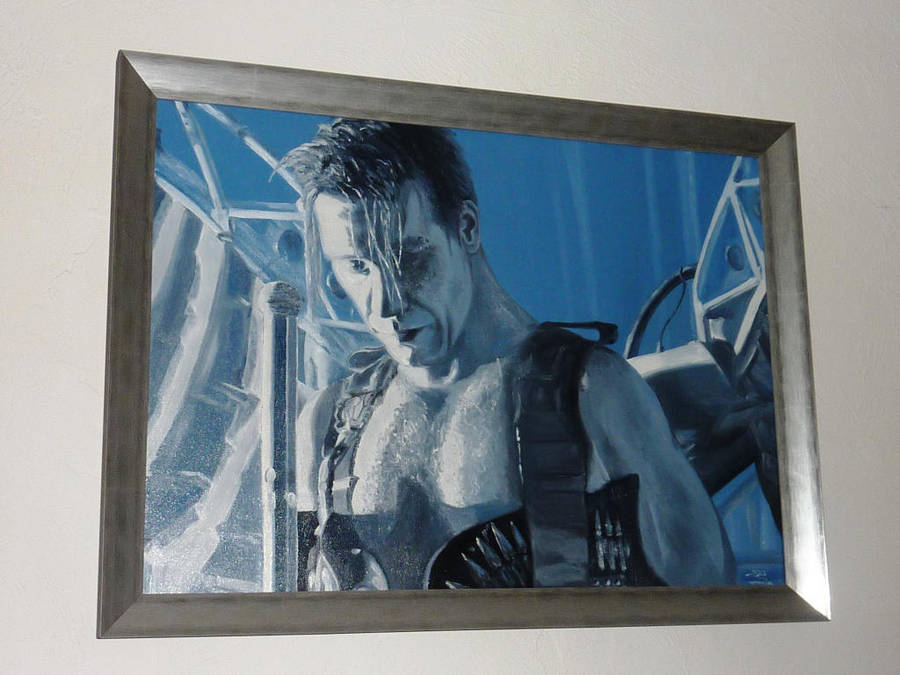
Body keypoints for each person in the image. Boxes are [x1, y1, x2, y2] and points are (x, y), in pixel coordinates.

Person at [281, 119, 733, 591]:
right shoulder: (328, 423)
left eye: (409, 257)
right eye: (358, 266)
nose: (385, 304)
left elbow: (709, 594)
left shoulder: (592, 393)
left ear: (467, 228)